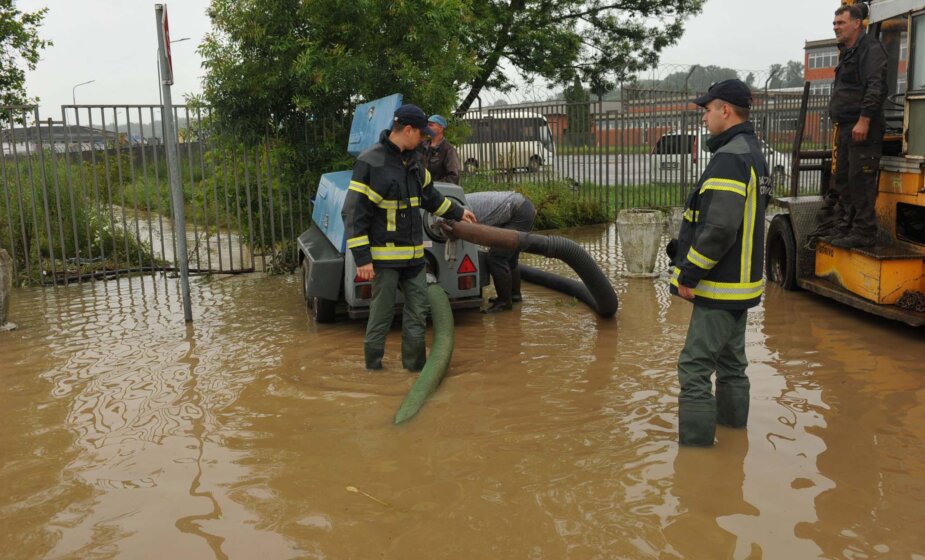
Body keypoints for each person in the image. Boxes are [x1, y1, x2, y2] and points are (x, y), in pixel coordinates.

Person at [670, 79, 770, 447]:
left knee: (694, 368)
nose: (704, 117)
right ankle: (733, 440)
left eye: (707, 109)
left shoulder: (729, 157)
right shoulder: (751, 151)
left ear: (725, 110)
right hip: (741, 286)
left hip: (719, 284)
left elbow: (720, 227)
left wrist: (689, 273)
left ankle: (695, 460)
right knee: (731, 364)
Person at [342, 104, 477, 371]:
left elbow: (431, 198)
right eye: (421, 134)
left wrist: (458, 212)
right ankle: (373, 371)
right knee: (380, 317)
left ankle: (414, 370)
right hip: (385, 260)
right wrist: (362, 259)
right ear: (407, 129)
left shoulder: (415, 161)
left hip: (415, 259)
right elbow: (354, 212)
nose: (424, 139)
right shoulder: (371, 162)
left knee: (417, 315)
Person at [815, 3, 888, 249]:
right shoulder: (848, 52)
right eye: (835, 24)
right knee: (844, 178)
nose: (836, 28)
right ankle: (847, 225)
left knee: (861, 179)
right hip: (846, 126)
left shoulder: (870, 48)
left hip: (862, 126)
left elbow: (875, 86)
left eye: (841, 23)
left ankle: (865, 231)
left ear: (857, 23)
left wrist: (864, 120)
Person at [465, 191, 536, 313]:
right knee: (510, 258)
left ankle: (504, 302)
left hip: (518, 212)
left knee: (496, 257)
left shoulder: (460, 209)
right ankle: (514, 296)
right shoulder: (460, 200)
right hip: (523, 208)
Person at [423, 114, 462, 184]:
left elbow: (453, 177)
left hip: (438, 192)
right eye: (427, 125)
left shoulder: (448, 150)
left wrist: (433, 187)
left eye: (431, 125)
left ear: (441, 128)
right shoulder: (421, 146)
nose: (427, 127)